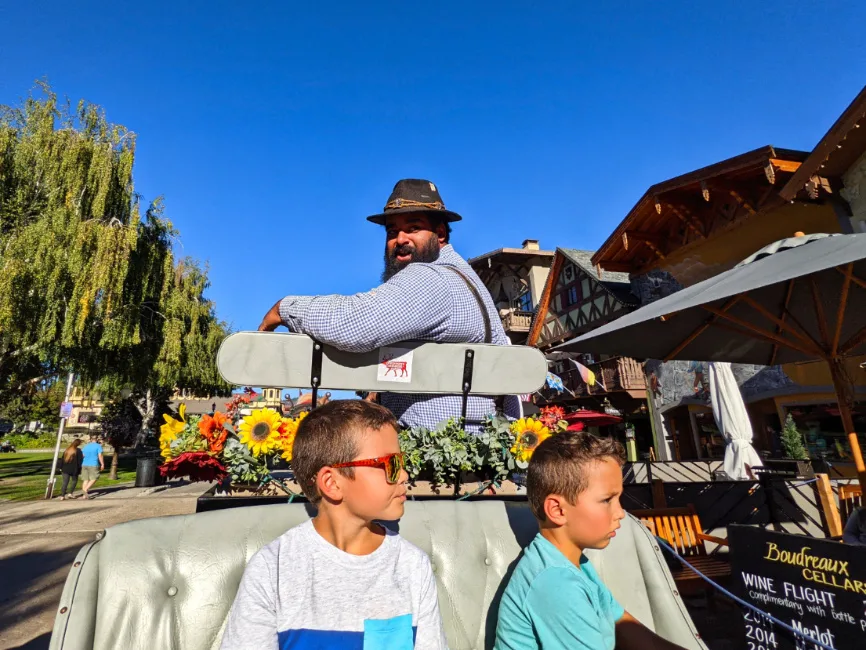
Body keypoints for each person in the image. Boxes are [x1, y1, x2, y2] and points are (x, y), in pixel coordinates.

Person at [258, 178, 519, 431]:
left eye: (413, 227)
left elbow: (353, 324)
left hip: (441, 454)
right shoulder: (463, 279)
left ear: (440, 234)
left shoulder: (431, 279)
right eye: (392, 231)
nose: (400, 239)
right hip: (479, 443)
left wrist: (285, 308)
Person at [221, 400, 447, 650]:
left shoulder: (412, 567)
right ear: (332, 483)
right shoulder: (273, 569)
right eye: (389, 465)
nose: (404, 475)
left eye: (402, 463)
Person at [494, 432, 686, 650]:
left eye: (618, 498)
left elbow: (624, 625)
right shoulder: (556, 583)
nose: (621, 513)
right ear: (557, 510)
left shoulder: (575, 563)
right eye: (607, 500)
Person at [80, 433, 104, 499]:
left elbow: (83, 455)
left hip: (84, 464)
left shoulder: (86, 446)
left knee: (85, 479)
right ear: (97, 439)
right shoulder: (98, 446)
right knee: (94, 478)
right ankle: (85, 490)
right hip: (93, 464)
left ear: (90, 440)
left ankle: (84, 495)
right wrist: (102, 464)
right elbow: (100, 455)